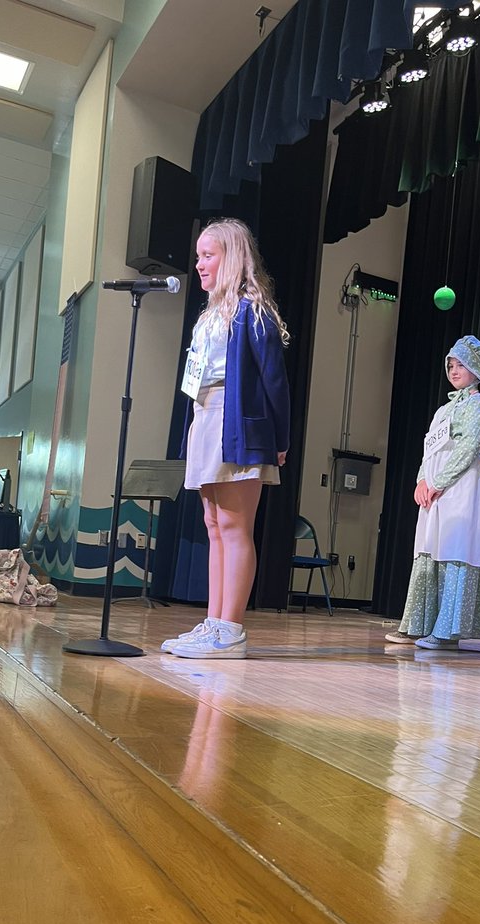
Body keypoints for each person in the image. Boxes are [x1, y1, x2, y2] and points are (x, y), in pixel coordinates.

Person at [162, 217, 290, 659]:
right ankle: (214, 620)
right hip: (207, 419)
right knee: (214, 526)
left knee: (235, 527)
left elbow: (275, 381)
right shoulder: (208, 317)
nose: (198, 264)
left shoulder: (251, 311)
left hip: (238, 426)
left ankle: (230, 627)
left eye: (207, 255)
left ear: (231, 258)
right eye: (198, 256)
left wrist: (280, 437)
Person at [386, 335, 480, 650]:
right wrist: (422, 480)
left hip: (462, 484)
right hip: (436, 486)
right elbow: (429, 448)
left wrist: (440, 481)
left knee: (454, 548)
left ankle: (447, 631)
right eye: (450, 364)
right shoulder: (442, 410)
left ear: (477, 368)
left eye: (461, 363)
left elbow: (469, 445)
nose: (454, 369)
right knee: (429, 548)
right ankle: (418, 623)